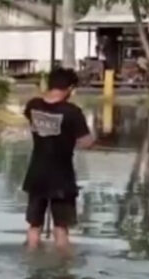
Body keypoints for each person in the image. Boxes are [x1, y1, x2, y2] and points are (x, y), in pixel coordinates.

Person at [22, 67, 95, 250]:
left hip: (36, 174)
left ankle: (31, 260)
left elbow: (33, 123)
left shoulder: (33, 105)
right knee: (61, 229)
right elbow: (85, 142)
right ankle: (63, 271)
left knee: (34, 226)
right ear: (70, 88)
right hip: (61, 177)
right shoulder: (72, 112)